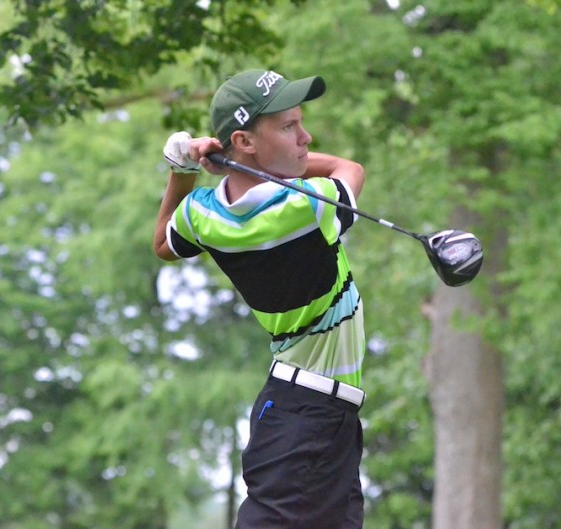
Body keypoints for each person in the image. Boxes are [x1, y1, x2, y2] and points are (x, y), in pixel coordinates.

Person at [152, 69, 367, 529]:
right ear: (245, 141)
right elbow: (347, 169)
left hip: (307, 412)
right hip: (307, 414)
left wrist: (184, 171)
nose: (305, 137)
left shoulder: (201, 214)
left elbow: (164, 245)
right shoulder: (304, 208)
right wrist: (230, 164)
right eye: (289, 127)